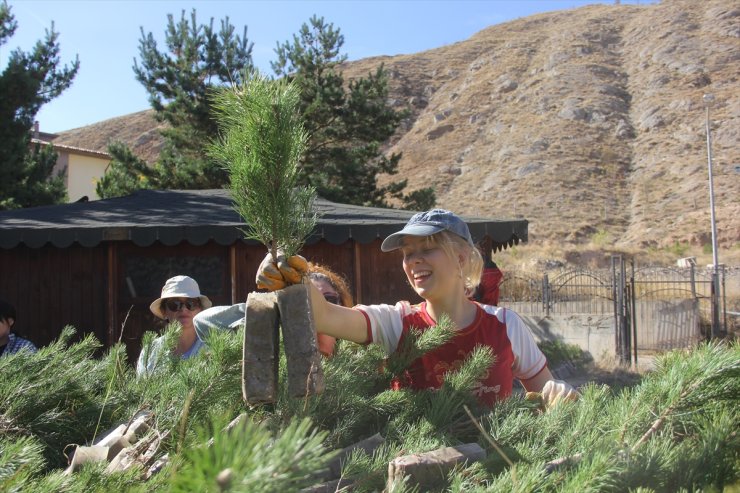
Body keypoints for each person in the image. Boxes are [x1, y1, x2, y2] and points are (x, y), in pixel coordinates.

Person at [258, 209, 578, 407]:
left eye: (427, 249)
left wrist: (559, 392)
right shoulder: (396, 322)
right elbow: (326, 316)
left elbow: (545, 392)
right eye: (408, 253)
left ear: (461, 259)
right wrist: (288, 274)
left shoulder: (506, 326)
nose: (413, 261)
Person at [193, 262, 352, 358]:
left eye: (329, 300)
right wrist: (270, 308)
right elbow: (203, 321)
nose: (317, 310)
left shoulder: (358, 368)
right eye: (306, 303)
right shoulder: (275, 363)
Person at [136, 275, 212, 375]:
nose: (184, 309)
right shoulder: (150, 352)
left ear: (200, 309)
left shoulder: (212, 349)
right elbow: (142, 389)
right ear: (164, 312)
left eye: (191, 303)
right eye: (175, 304)